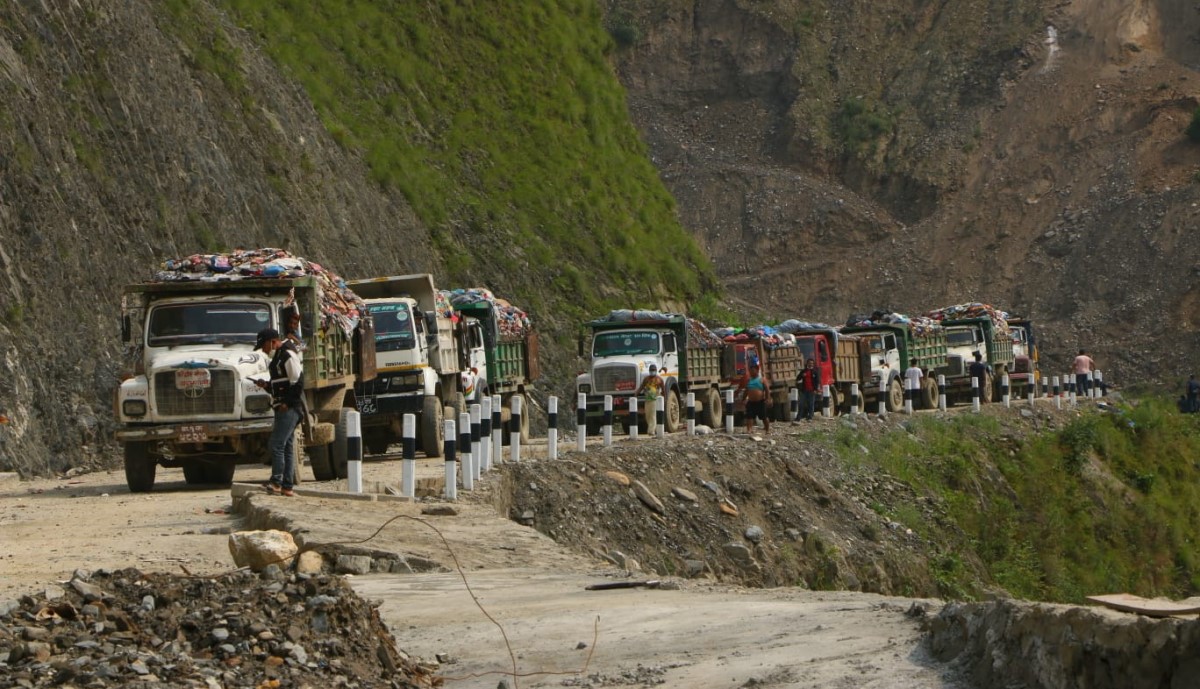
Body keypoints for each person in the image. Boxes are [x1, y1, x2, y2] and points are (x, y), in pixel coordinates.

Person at [254, 327, 303, 497]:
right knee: (287, 447)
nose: (263, 349)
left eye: (264, 345)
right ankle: (287, 487)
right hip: (284, 407)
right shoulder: (278, 358)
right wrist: (267, 385)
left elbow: (298, 382)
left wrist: (287, 403)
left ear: (272, 342)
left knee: (276, 444)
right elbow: (282, 384)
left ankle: (276, 482)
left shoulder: (287, 355)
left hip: (289, 408)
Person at [738, 362, 771, 433]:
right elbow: (746, 391)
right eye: (750, 370)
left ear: (756, 370)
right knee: (749, 416)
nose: (751, 372)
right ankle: (749, 429)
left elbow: (767, 389)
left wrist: (768, 398)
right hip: (751, 402)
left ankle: (767, 429)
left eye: (752, 370)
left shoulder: (762, 379)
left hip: (760, 402)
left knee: (764, 416)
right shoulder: (749, 380)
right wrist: (743, 399)